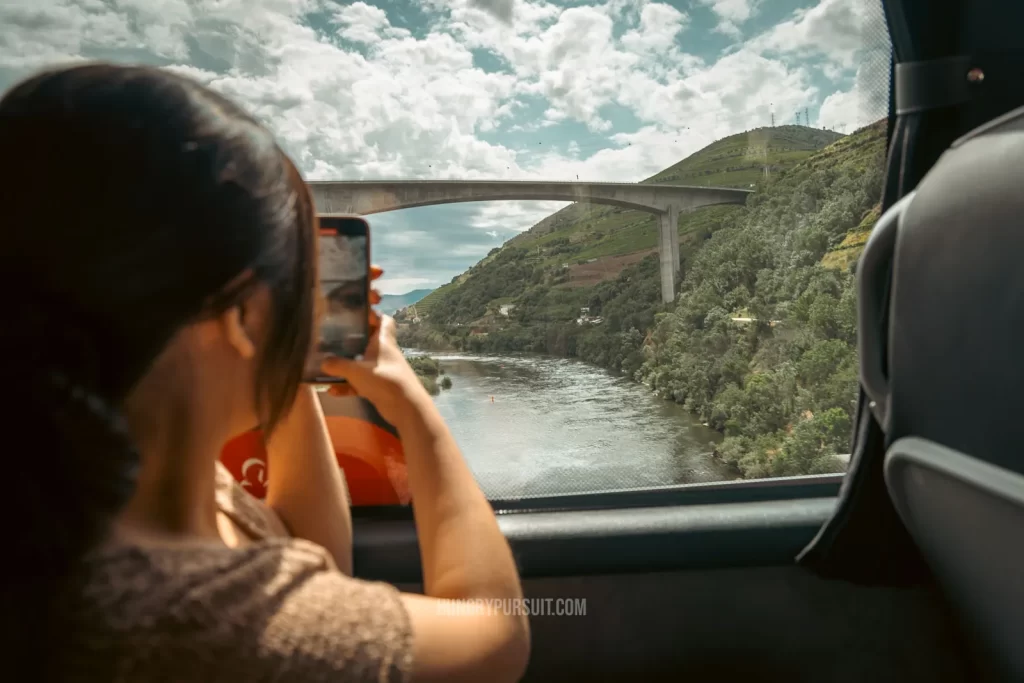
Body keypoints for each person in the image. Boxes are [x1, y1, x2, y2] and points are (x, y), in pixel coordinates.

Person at [0, 63, 529, 682]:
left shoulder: (87, 480)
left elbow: (304, 553)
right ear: (245, 315)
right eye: (297, 283)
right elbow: (495, 638)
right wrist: (411, 402)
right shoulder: (197, 622)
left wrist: (282, 353)